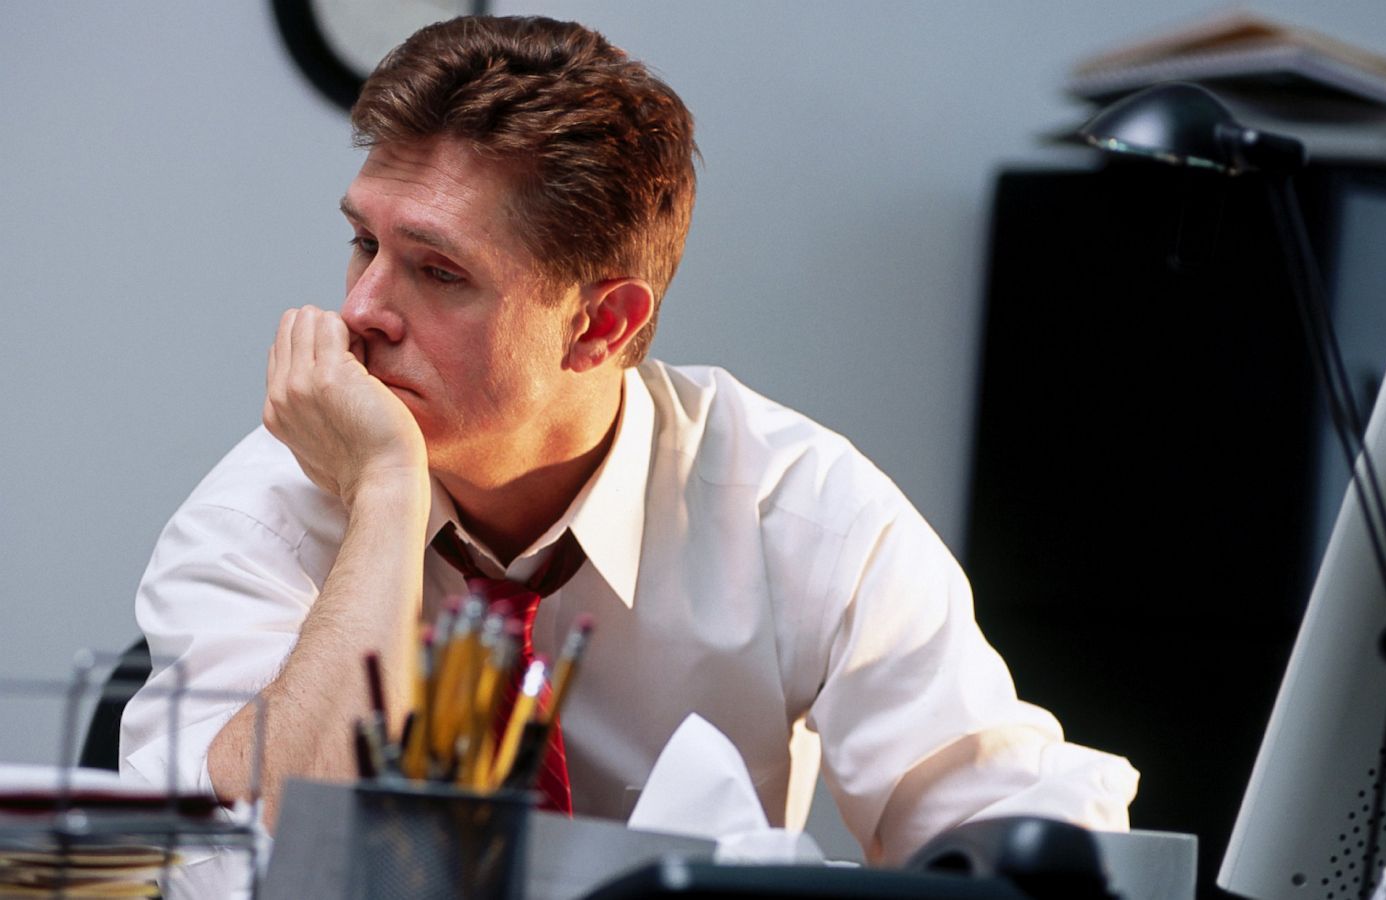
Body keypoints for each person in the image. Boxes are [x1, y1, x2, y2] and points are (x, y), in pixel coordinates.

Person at [120, 11, 1136, 881]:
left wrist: (1028, 843)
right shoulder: (266, 506)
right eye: (363, 243)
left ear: (601, 326)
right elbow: (237, 870)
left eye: (437, 271)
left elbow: (1007, 828)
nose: (360, 310)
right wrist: (386, 500)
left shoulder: (796, 507)